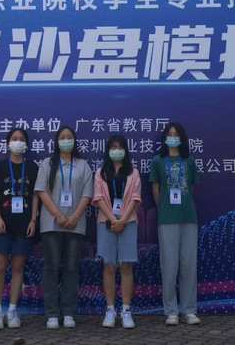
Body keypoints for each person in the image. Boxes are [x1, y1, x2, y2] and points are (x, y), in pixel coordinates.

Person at [34, 126, 93, 329]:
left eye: (69, 137)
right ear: (56, 141)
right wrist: (58, 215)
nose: (66, 140)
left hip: (75, 225)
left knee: (71, 268)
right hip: (51, 224)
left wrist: (75, 216)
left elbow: (87, 194)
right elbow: (42, 191)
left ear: (74, 141)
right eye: (62, 137)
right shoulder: (47, 163)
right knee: (51, 267)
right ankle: (51, 313)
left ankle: (68, 312)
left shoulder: (83, 165)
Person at [150, 122, 201, 326]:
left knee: (188, 265)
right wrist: (164, 208)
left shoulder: (189, 161)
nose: (173, 137)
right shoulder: (157, 161)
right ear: (165, 138)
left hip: (189, 217)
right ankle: (171, 310)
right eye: (169, 134)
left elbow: (192, 188)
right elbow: (156, 189)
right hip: (167, 218)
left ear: (182, 138)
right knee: (169, 266)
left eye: (176, 134)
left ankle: (189, 310)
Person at [0, 127, 39, 330]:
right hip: (3, 224)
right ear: (8, 142)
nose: (18, 142)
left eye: (21, 139)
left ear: (26, 144)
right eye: (14, 138)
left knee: (18, 267)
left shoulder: (32, 167)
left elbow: (35, 195)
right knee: (0, 266)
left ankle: (12, 310)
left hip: (24, 224)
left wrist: (33, 220)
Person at [91, 134, 141, 329]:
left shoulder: (133, 172)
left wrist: (122, 220)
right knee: (109, 266)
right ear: (108, 150)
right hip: (106, 222)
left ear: (125, 150)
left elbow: (135, 198)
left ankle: (126, 311)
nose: (116, 150)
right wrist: (113, 220)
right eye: (113, 147)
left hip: (128, 222)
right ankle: (110, 310)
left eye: (120, 147)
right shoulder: (101, 172)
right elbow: (98, 198)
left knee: (126, 266)